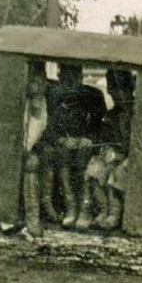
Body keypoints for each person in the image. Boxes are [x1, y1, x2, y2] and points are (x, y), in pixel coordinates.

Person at [42, 64, 106, 228]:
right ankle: (71, 208)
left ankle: (84, 209)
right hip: (64, 144)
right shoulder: (54, 96)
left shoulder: (92, 96)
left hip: (87, 145)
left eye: (74, 77)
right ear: (60, 76)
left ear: (81, 77)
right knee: (61, 155)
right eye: (66, 77)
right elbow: (47, 126)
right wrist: (62, 139)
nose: (70, 83)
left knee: (83, 157)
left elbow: (100, 125)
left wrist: (89, 138)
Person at [76, 67, 135, 231]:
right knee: (95, 169)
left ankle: (114, 214)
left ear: (130, 89)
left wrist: (119, 154)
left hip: (131, 157)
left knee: (117, 173)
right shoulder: (111, 115)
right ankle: (101, 211)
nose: (116, 95)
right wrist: (106, 150)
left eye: (121, 89)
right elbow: (104, 138)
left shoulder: (137, 113)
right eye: (113, 89)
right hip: (112, 156)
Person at [22, 62, 49, 237]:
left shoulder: (40, 108)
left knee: (35, 161)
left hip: (29, 148)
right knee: (31, 162)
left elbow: (34, 133)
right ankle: (31, 218)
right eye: (33, 82)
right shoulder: (23, 102)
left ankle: (37, 216)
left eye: (40, 83)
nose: (36, 87)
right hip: (16, 149)